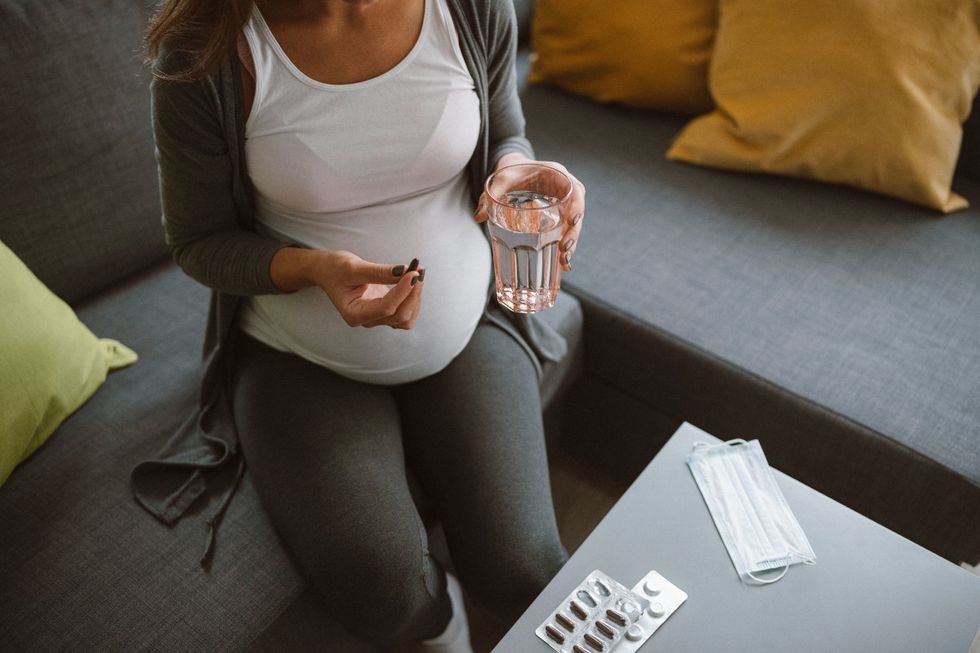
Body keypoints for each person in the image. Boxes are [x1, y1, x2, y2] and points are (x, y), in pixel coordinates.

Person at [136, 0, 587, 649]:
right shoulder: (205, 50)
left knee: (527, 572)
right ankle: (447, 629)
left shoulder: (469, 9)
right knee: (386, 592)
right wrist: (314, 269)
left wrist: (514, 169)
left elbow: (506, 130)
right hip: (297, 356)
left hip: (466, 332)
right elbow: (197, 241)